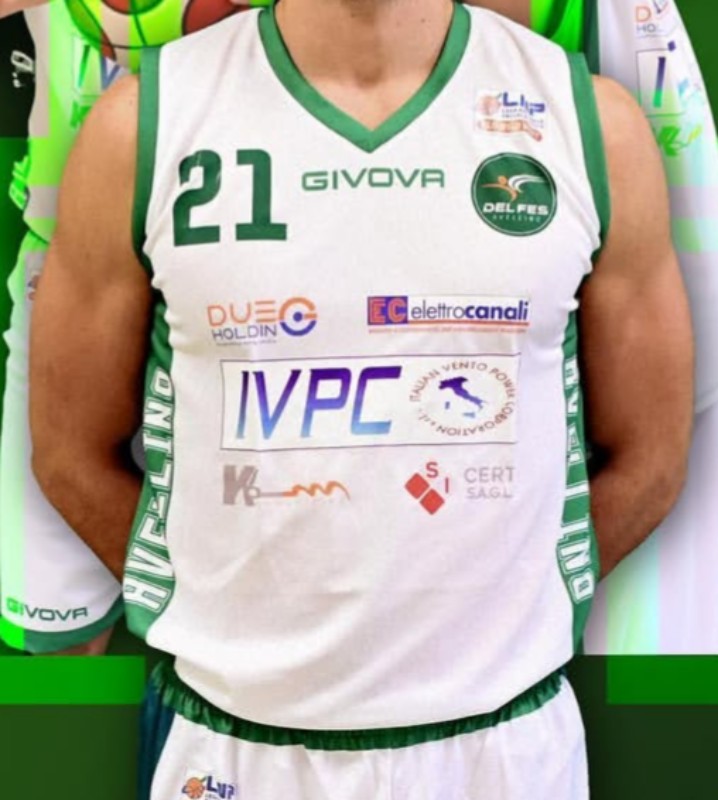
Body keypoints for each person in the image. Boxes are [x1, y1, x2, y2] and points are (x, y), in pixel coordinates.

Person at [30, 0, 693, 795]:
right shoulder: (142, 124)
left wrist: (511, 607)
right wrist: (215, 605)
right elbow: (68, 452)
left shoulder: (591, 123)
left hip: (506, 747)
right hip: (230, 745)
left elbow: (652, 456)